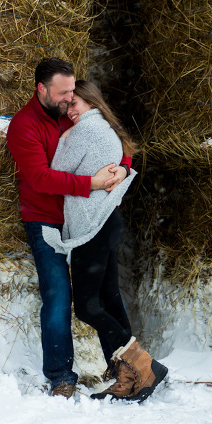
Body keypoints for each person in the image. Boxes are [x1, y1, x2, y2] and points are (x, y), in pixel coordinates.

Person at [6, 58, 130, 399]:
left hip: (87, 219)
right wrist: (91, 182)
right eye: (63, 93)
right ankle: (61, 376)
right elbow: (40, 178)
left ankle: (127, 370)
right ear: (41, 89)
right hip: (45, 220)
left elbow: (111, 141)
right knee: (59, 295)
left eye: (72, 92)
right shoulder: (23, 126)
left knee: (106, 295)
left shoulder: (73, 113)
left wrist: (122, 167)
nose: (69, 99)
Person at [42, 80, 167, 402]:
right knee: (109, 298)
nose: (69, 110)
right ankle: (130, 374)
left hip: (93, 227)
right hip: (106, 222)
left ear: (90, 102)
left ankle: (144, 365)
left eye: (74, 103)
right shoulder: (105, 128)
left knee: (87, 307)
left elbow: (55, 174)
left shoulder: (84, 131)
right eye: (65, 104)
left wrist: (64, 138)